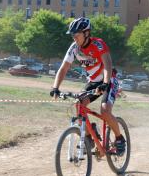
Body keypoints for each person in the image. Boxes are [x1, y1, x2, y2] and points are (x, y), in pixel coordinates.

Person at [50, 17, 126, 155]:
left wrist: (105, 83)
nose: (74, 38)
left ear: (86, 33)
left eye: (76, 34)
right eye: (72, 35)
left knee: (105, 111)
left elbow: (107, 65)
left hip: (108, 80)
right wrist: (55, 87)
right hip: (92, 82)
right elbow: (64, 68)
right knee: (79, 104)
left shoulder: (98, 44)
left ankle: (120, 139)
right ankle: (90, 138)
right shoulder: (74, 48)